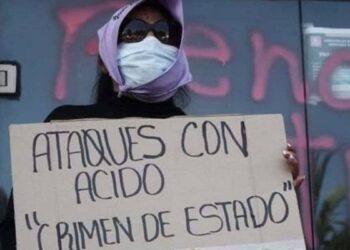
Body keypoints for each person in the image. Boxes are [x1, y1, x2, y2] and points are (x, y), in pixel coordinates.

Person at [0, 0, 303, 249]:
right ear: (105, 60)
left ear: (178, 55)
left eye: (164, 32)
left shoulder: (207, 151)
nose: (151, 41)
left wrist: (274, 196)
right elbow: (19, 234)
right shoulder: (62, 129)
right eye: (133, 32)